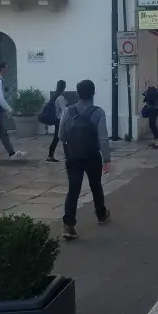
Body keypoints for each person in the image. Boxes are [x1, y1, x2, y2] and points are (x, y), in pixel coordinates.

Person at [59, 80, 111, 240]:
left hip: (73, 156)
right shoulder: (98, 112)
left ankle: (69, 225)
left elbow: (61, 135)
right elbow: (103, 138)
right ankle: (101, 214)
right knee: (95, 185)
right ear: (93, 93)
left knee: (73, 188)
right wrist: (106, 159)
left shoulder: (69, 111)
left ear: (77, 93)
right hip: (92, 155)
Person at [46, 80, 68, 162]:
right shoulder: (61, 97)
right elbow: (64, 111)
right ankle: (51, 156)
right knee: (61, 138)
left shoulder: (55, 96)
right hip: (61, 120)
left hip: (57, 120)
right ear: (64, 86)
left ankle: (51, 156)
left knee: (59, 137)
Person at [142, 82, 158, 149]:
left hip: (152, 110)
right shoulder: (155, 94)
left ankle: (157, 140)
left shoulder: (150, 94)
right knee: (152, 124)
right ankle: (156, 139)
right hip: (155, 110)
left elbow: (145, 97)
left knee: (152, 124)